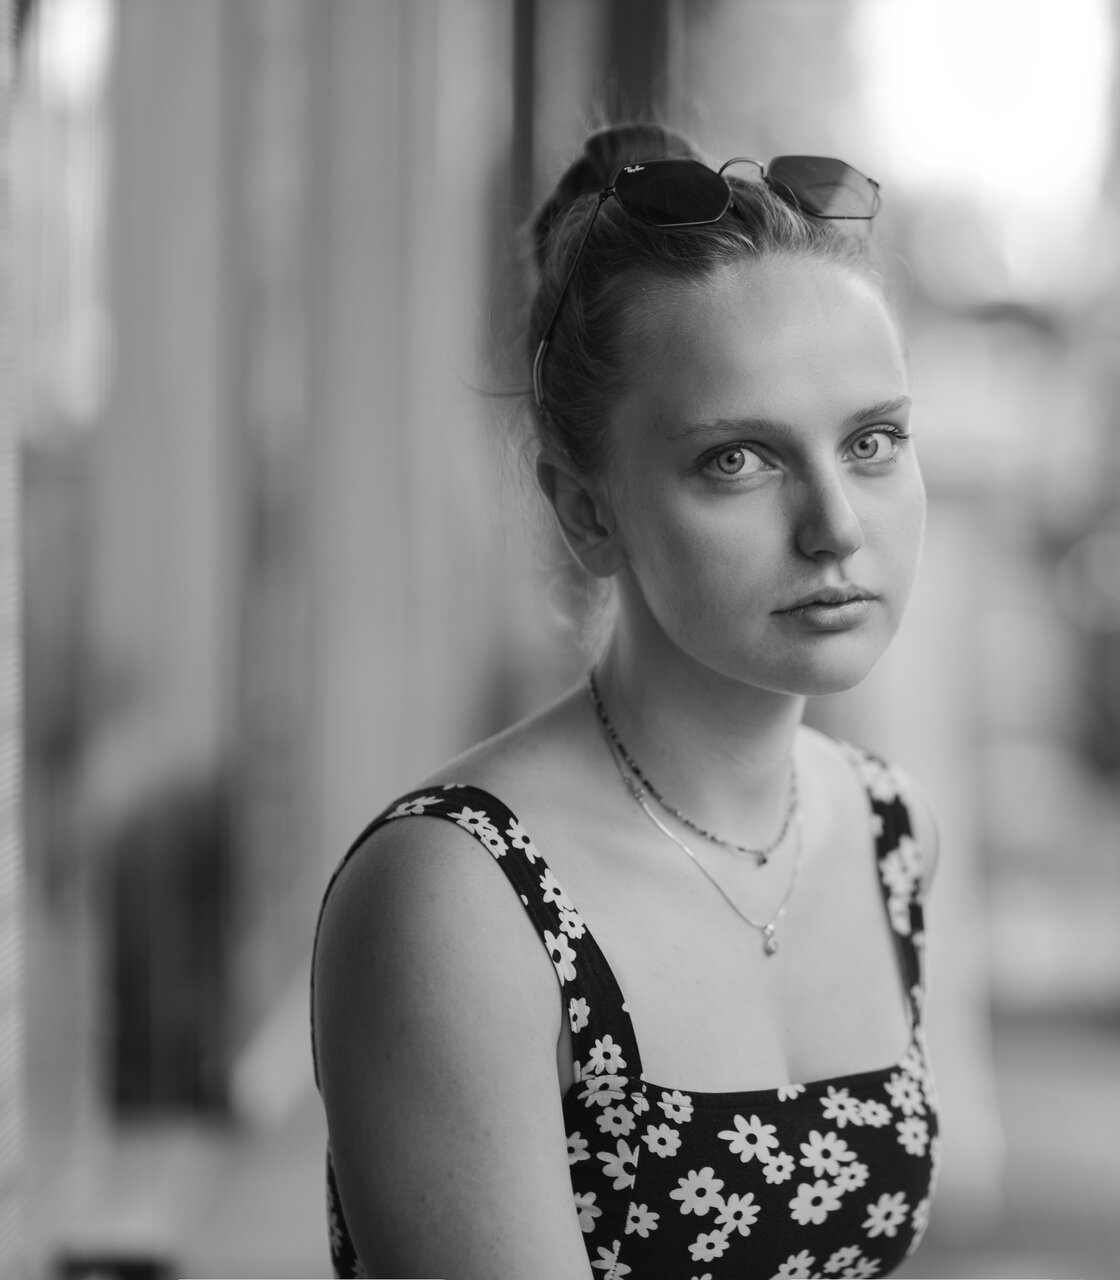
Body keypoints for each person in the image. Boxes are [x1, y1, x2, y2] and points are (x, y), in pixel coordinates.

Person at [309, 122, 939, 1280]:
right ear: (586, 510)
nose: (836, 526)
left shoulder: (887, 829)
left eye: (872, 439)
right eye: (737, 459)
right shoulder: (462, 895)